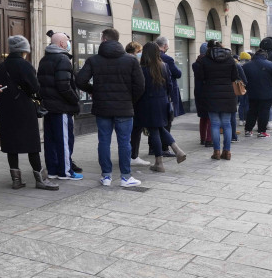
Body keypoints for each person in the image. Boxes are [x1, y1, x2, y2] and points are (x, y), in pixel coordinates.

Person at [76, 28, 144, 187]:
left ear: (104, 40)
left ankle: (106, 176)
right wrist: (129, 100)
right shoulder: (131, 60)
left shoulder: (94, 60)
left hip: (102, 108)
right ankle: (126, 177)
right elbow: (140, 86)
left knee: (104, 141)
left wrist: (94, 91)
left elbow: (80, 81)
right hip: (124, 108)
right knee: (124, 142)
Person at [0, 35, 61, 191]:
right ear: (24, 49)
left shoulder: (1, 67)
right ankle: (41, 179)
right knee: (32, 144)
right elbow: (35, 88)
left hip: (6, 110)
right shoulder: (25, 65)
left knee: (11, 145)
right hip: (24, 109)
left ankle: (16, 180)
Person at [39, 31, 82, 180]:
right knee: (64, 140)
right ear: (62, 44)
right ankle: (65, 171)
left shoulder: (44, 59)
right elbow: (64, 86)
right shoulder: (63, 59)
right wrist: (75, 99)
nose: (68, 43)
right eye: (67, 41)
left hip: (49, 107)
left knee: (50, 141)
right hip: (62, 107)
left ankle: (52, 170)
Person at [135, 45, 185, 172]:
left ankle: (159, 162)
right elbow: (170, 85)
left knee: (154, 130)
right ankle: (177, 150)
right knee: (160, 128)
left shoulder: (142, 69)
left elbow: (139, 88)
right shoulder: (164, 66)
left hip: (148, 103)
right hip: (163, 102)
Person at [195, 40, 242, 159]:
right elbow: (235, 77)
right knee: (227, 124)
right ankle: (227, 152)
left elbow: (201, 77)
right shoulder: (230, 59)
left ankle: (216, 152)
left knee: (215, 124)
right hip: (228, 95)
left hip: (211, 95)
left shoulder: (205, 60)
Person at [241, 47, 272, 139]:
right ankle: (261, 131)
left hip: (251, 92)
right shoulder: (271, 64)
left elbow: (241, 78)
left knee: (252, 111)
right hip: (266, 92)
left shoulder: (246, 66)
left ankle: (248, 130)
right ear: (265, 56)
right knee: (264, 112)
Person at [193, 42, 213, 146]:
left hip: (198, 92)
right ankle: (209, 139)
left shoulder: (195, 64)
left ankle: (202, 139)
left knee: (203, 117)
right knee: (210, 116)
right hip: (208, 92)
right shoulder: (209, 63)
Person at [237, 51, 252, 124]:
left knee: (241, 103)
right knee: (247, 103)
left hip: (239, 86)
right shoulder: (249, 66)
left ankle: (241, 119)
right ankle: (246, 119)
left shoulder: (237, 65)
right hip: (248, 86)